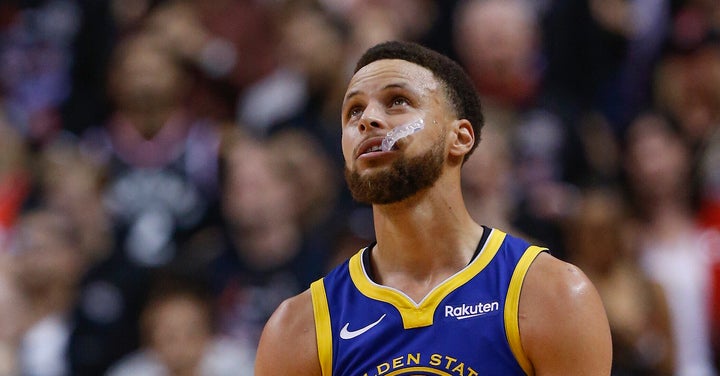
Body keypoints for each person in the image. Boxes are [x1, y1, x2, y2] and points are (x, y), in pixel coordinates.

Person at [255, 40, 612, 375]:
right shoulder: (298, 328)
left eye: (397, 101)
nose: (367, 120)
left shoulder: (549, 294)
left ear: (460, 138)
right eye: (353, 111)